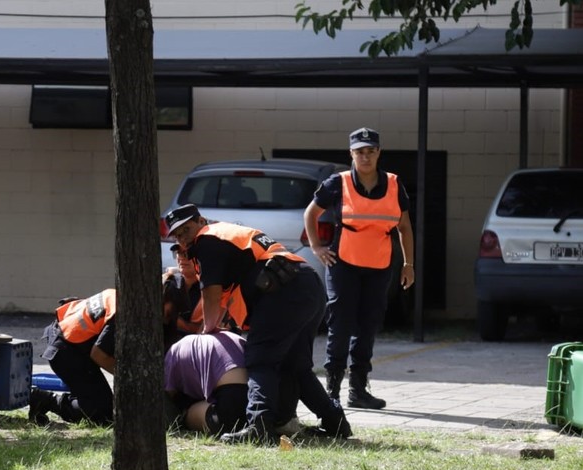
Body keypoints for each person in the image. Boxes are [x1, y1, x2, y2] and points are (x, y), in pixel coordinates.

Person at [164, 203, 351, 444]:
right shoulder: (224, 236)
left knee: (260, 361)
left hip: (281, 293)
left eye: (185, 230)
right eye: (177, 235)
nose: (183, 239)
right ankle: (335, 422)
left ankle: (258, 426)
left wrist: (207, 330)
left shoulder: (206, 240)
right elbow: (222, 298)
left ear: (200, 221)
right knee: (296, 365)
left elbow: (211, 292)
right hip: (306, 285)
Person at [303, 127, 416, 409]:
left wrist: (408, 264)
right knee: (340, 326)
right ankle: (332, 393)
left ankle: (358, 391)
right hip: (344, 265)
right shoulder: (336, 183)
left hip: (379, 267)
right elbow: (311, 213)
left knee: (368, 327)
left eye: (370, 151)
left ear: (378, 153)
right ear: (351, 154)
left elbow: (404, 227)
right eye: (359, 152)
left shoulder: (393, 184)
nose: (365, 157)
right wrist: (317, 247)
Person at [28, 289, 116, 426]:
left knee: (104, 404)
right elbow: (99, 354)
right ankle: (44, 399)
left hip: (69, 339)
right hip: (66, 350)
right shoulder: (122, 314)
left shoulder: (119, 295)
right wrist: (128, 379)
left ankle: (87, 399)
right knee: (102, 415)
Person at [164, 331, 250, 435]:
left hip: (227, 415)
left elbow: (169, 395)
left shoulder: (173, 353)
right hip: (258, 405)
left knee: (185, 413)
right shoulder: (231, 337)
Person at [162, 243, 201, 351]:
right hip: (165, 348)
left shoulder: (209, 288)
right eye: (178, 253)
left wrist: (174, 318)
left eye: (186, 253)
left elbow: (206, 328)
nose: (181, 258)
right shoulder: (168, 282)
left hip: (195, 350)